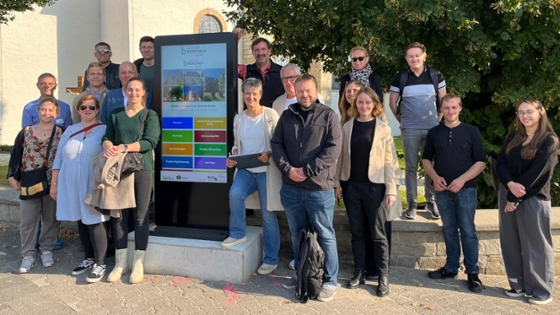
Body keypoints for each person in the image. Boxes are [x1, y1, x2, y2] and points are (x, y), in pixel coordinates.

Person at [271, 74, 342, 302]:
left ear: (316, 90)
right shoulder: (287, 116)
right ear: (295, 91)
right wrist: (288, 169)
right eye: (300, 91)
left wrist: (307, 170)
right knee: (296, 233)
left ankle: (330, 281)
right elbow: (277, 144)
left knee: (325, 234)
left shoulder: (329, 116)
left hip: (318, 188)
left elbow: (333, 150)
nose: (305, 95)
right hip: (291, 187)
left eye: (309, 90)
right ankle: (302, 271)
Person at [334, 87, 396, 296]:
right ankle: (359, 271)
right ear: (354, 105)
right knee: (357, 232)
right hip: (351, 186)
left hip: (375, 187)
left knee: (378, 234)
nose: (363, 106)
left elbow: (389, 161)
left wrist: (392, 190)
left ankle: (382, 276)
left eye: (367, 103)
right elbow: (341, 158)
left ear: (375, 104)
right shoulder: (347, 127)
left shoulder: (383, 129)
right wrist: (336, 184)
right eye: (360, 102)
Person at [422, 94, 486, 293]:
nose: (450, 111)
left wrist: (461, 180)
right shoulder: (434, 132)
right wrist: (434, 176)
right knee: (449, 229)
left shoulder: (471, 132)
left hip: (465, 190)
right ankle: (451, 268)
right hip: (442, 191)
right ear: (441, 109)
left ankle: (473, 273)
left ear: (460, 108)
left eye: (454, 107)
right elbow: (425, 159)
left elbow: (481, 162)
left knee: (467, 230)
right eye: (446, 108)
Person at [497, 98, 558, 305]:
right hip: (508, 193)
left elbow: (539, 173)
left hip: (533, 197)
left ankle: (542, 289)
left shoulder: (549, 140)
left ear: (540, 112)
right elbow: (501, 163)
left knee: (536, 245)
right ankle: (518, 285)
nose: (525, 116)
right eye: (521, 112)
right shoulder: (514, 136)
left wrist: (515, 194)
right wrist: (510, 186)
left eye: (529, 111)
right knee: (511, 242)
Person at [102, 78, 160, 284]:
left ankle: (138, 263)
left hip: (141, 169)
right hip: (119, 170)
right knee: (118, 216)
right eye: (130, 90)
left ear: (143, 92)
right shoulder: (115, 114)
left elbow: (150, 142)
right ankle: (120, 262)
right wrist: (108, 145)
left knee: (140, 216)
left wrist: (124, 147)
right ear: (125, 92)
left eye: (138, 90)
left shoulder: (149, 115)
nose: (134, 93)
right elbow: (107, 136)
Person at [222, 78, 283, 275]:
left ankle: (271, 258)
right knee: (235, 194)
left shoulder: (270, 114)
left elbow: (279, 141)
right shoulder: (238, 118)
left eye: (254, 93)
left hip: (266, 170)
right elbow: (237, 144)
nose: (251, 97)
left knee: (268, 214)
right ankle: (238, 233)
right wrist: (233, 157)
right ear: (243, 95)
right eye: (247, 93)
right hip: (247, 169)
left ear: (260, 94)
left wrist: (270, 153)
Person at [50, 95, 109, 283]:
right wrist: (54, 183)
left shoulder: (104, 130)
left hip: (92, 182)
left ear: (97, 109)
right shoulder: (70, 130)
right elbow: (58, 158)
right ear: (78, 109)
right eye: (83, 107)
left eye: (92, 106)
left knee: (95, 220)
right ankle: (88, 259)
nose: (88, 110)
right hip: (71, 182)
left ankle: (101, 263)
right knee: (80, 220)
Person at [389, 42, 446, 220]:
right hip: (410, 129)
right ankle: (412, 204)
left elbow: (443, 100)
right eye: (410, 56)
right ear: (406, 58)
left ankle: (431, 202)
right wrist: (400, 117)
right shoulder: (401, 77)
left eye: (417, 55)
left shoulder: (435, 75)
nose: (414, 59)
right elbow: (392, 102)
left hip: (433, 129)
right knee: (411, 168)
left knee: (433, 166)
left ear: (424, 56)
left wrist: (439, 119)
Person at [8, 97, 64, 273]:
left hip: (53, 183)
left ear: (57, 112)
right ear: (38, 111)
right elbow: (16, 153)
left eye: (50, 110)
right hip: (30, 181)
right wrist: (12, 175)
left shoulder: (62, 133)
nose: (46, 113)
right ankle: (28, 254)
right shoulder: (26, 131)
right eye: (43, 110)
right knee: (27, 220)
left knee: (51, 218)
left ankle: (46, 249)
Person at [233, 29, 284, 108]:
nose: (260, 53)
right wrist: (234, 40)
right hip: (251, 118)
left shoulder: (282, 72)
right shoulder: (246, 70)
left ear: (270, 51)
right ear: (253, 53)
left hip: (275, 118)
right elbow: (228, 66)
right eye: (256, 50)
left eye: (263, 49)